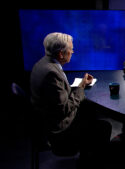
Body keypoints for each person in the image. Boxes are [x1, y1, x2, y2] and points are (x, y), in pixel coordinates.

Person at [30, 32, 112, 168]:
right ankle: (91, 162)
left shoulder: (42, 63)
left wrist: (80, 87)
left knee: (88, 108)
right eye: (71, 49)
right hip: (60, 132)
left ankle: (87, 155)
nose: (72, 52)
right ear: (61, 54)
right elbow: (64, 109)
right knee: (104, 126)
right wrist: (81, 87)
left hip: (49, 120)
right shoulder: (51, 73)